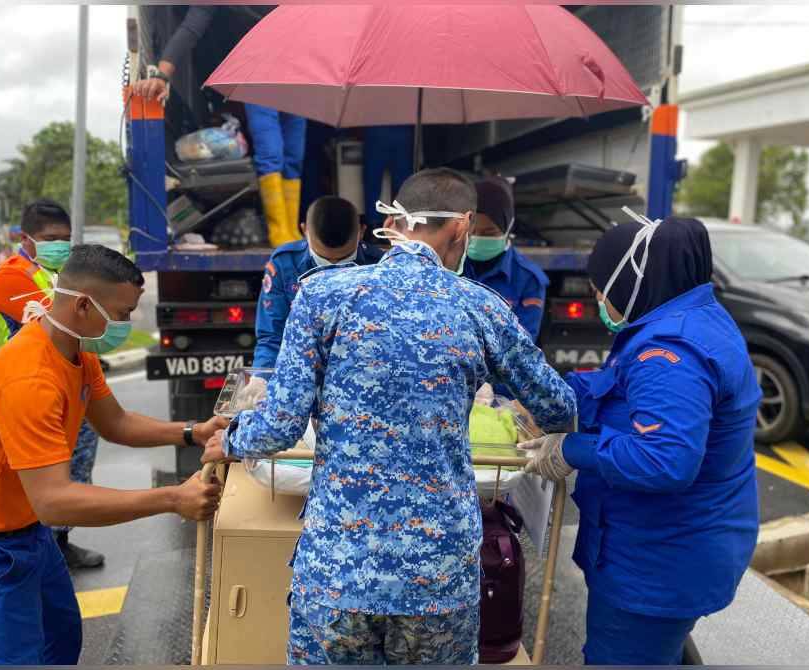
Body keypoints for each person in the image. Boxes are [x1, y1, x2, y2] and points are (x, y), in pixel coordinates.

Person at [203, 168, 576, 665]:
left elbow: (279, 425)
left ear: (397, 224)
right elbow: (559, 407)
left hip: (338, 573)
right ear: (463, 227)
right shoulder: (482, 308)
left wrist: (230, 438)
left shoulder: (321, 296)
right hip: (438, 579)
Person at [0, 245, 227, 665]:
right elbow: (54, 500)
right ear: (82, 304)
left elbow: (114, 422)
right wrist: (172, 499)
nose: (125, 323)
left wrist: (191, 432)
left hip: (25, 538)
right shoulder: (29, 378)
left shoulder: (76, 352)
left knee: (59, 645)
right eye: (121, 314)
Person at [522, 215, 761, 665]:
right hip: (679, 545)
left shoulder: (669, 351)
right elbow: (626, 392)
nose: (596, 297)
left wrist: (570, 449)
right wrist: (555, 393)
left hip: (657, 562)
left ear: (629, 284)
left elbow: (664, 459)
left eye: (600, 287)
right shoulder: (689, 317)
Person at [0, 199, 103, 569]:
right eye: (52, 238)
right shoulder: (10, 276)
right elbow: (65, 318)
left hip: (72, 379)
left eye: (66, 239)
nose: (60, 245)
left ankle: (60, 543)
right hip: (36, 387)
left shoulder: (61, 272)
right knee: (43, 473)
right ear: (26, 238)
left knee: (77, 467)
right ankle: (37, 549)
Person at [132, 5, 306, 247]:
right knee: (271, 151)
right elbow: (192, 27)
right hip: (257, 71)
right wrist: (161, 75)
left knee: (294, 154)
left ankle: (291, 231)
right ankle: (279, 232)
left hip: (297, 73)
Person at [254, 196, 382, 369]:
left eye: (344, 259)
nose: (333, 267)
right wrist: (261, 376)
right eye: (324, 260)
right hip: (301, 367)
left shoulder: (380, 266)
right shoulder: (284, 265)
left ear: (362, 231)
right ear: (304, 230)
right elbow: (272, 337)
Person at [463, 176, 549, 341]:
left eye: (489, 233)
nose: (478, 238)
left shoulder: (528, 280)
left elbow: (524, 345)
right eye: (472, 232)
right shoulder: (447, 267)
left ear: (507, 229)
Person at [363, 125, 415, 228]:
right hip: (402, 131)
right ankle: (402, 224)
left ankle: (374, 225)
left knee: (372, 184)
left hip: (376, 130)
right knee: (403, 185)